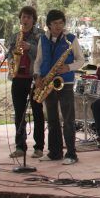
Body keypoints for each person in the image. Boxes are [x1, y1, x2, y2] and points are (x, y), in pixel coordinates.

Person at [33, 10, 84, 165]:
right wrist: (37, 76)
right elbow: (38, 60)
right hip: (48, 82)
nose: (58, 26)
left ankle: (71, 154)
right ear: (48, 25)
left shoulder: (71, 39)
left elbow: (81, 60)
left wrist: (68, 67)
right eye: (55, 23)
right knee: (52, 119)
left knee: (68, 119)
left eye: (61, 23)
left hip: (65, 83)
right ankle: (54, 152)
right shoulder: (43, 39)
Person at [5, 6, 45, 159]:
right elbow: (9, 54)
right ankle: (20, 146)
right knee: (19, 114)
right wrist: (12, 63)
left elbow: (43, 54)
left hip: (34, 77)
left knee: (37, 113)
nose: (26, 20)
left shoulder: (40, 35)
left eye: (29, 17)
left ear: (33, 20)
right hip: (18, 78)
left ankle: (39, 147)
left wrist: (30, 47)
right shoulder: (15, 36)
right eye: (23, 17)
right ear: (20, 19)